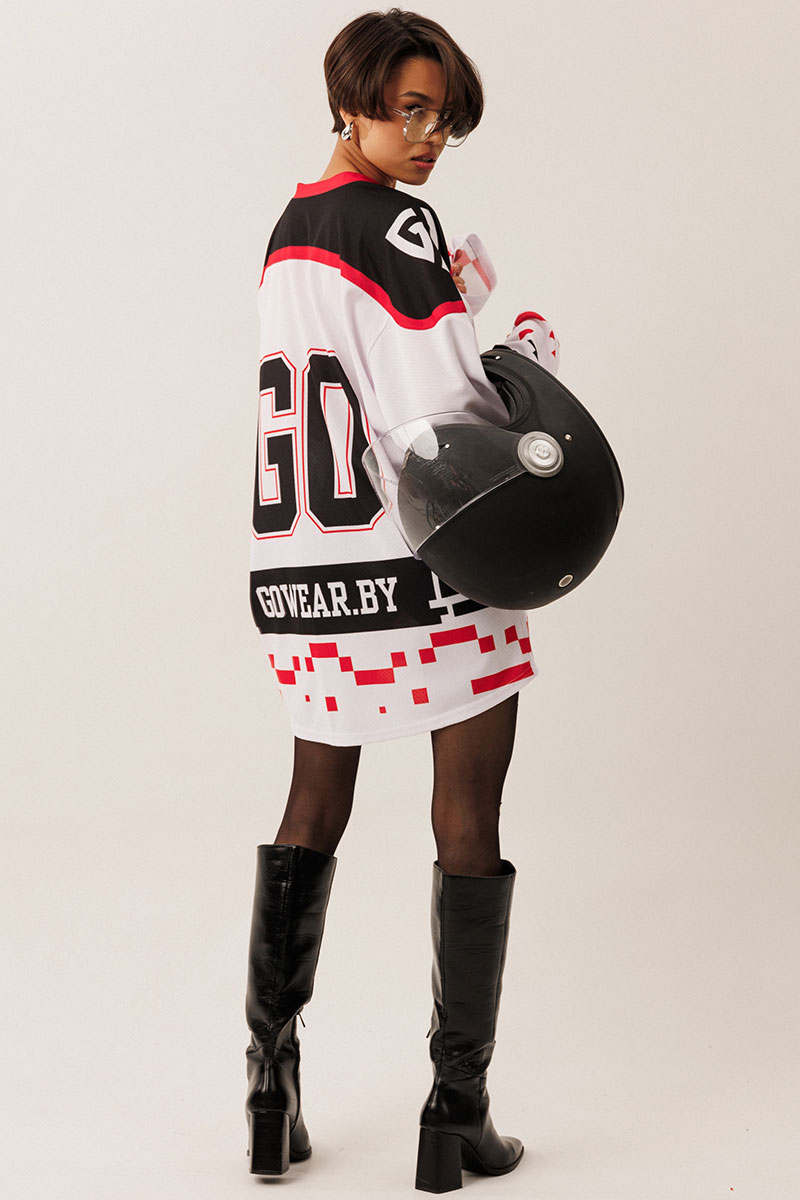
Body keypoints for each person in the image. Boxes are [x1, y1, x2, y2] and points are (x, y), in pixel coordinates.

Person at [245, 9, 560, 1192]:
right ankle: (453, 1114)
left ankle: (267, 1091)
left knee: (309, 806)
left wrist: (445, 299)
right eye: (408, 109)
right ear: (348, 103)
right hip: (428, 564)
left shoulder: (291, 228)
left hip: (304, 568)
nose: (428, 137)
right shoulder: (398, 223)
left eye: (444, 118)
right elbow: (446, 415)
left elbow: (354, 377)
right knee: (465, 816)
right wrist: (521, 347)